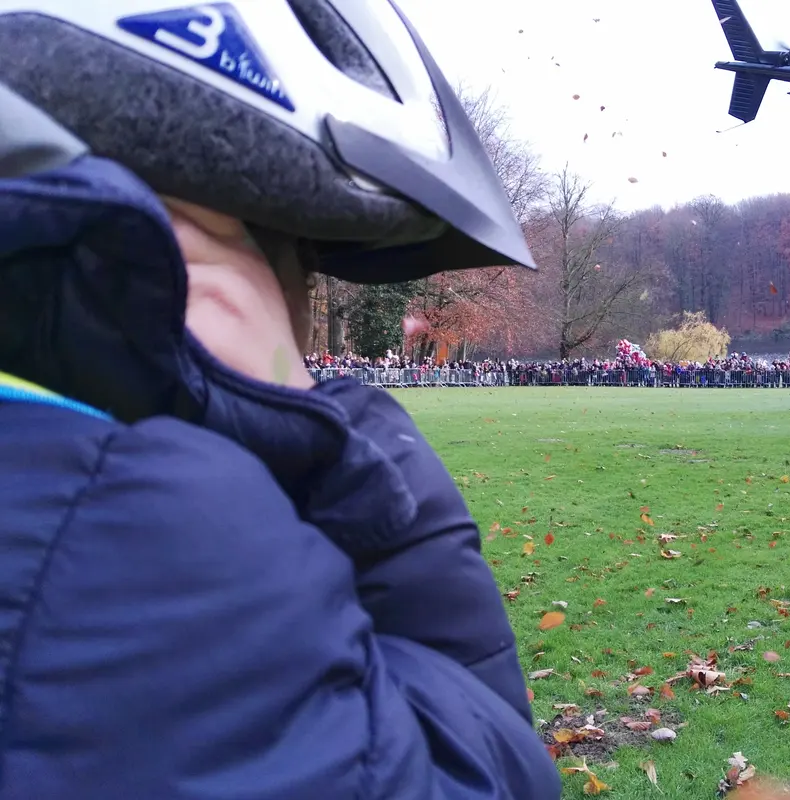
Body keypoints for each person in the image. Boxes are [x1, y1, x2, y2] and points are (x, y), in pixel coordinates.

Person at [0, 2, 559, 799]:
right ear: (189, 256)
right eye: (304, 266)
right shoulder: (148, 526)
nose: (304, 310)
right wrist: (343, 451)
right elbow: (471, 774)